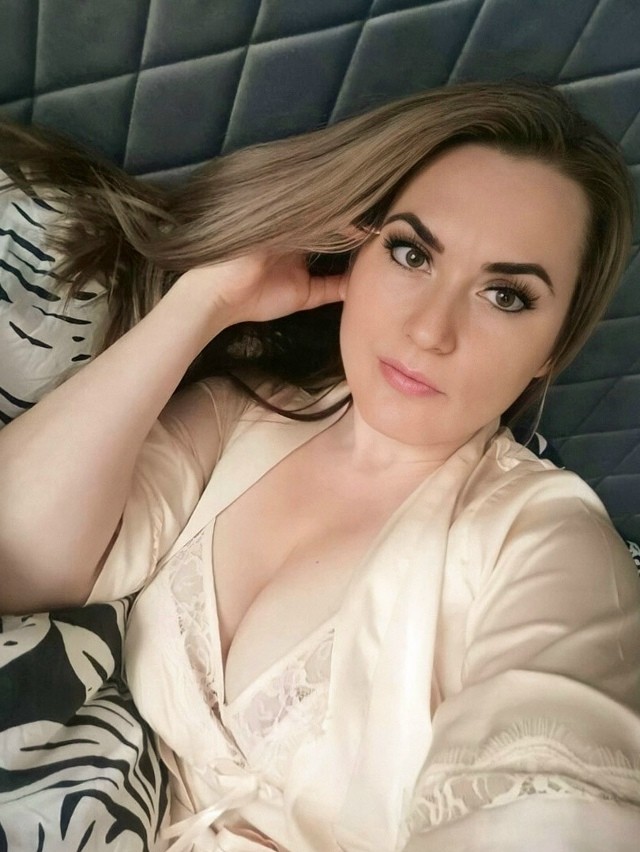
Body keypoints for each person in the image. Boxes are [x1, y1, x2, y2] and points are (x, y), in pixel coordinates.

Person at [0, 81, 639, 851]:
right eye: (411, 254)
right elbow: (16, 557)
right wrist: (205, 301)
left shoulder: (543, 540)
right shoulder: (241, 416)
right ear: (356, 253)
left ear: (551, 351)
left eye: (505, 296)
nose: (430, 330)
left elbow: (562, 809)